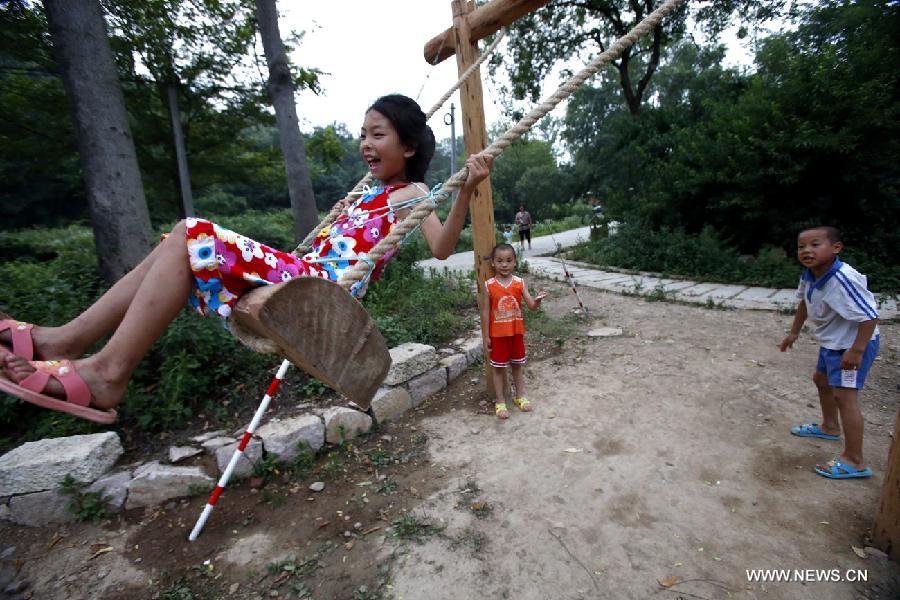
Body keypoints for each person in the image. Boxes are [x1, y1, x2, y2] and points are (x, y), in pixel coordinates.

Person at [0, 94, 494, 423]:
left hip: (322, 286)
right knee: (180, 241)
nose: (366, 143)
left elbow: (442, 247)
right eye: (363, 134)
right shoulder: (368, 189)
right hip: (302, 271)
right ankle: (61, 340)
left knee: (193, 231)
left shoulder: (409, 193)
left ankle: (104, 371)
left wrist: (466, 189)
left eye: (379, 134)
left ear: (408, 146)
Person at [779, 226, 880, 479]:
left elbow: (870, 317)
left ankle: (854, 460)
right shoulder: (811, 273)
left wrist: (857, 351)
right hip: (832, 342)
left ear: (836, 248)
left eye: (815, 244)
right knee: (821, 380)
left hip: (851, 346)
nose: (806, 251)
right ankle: (829, 426)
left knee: (845, 397)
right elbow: (805, 301)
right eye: (802, 246)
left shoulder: (843, 279)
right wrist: (794, 331)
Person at [481, 243, 546, 419]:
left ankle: (520, 397)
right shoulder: (489, 285)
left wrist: (538, 300)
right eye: (500, 261)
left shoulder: (519, 283)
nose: (504, 264)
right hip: (498, 335)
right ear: (493, 263)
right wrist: (486, 335)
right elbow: (486, 311)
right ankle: (500, 402)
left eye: (509, 260)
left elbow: (531, 306)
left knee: (517, 366)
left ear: (515, 262)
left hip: (516, 333)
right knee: (498, 369)